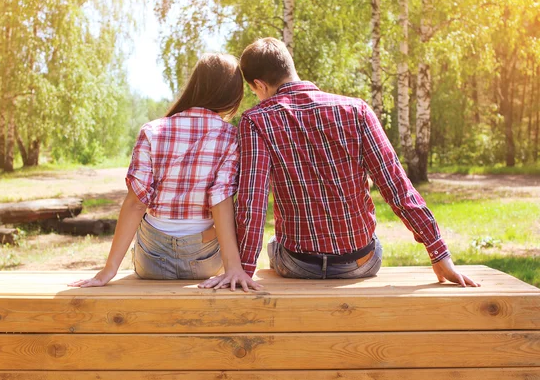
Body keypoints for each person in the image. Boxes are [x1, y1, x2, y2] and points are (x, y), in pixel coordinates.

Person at [200, 38, 480, 288]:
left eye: (255, 91)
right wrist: (438, 251)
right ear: (290, 67)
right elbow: (396, 185)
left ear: (259, 85)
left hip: (298, 265)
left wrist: (244, 271)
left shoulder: (256, 120)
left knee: (276, 245)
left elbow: (253, 203)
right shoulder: (356, 110)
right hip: (361, 263)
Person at [69, 53, 262, 292]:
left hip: (151, 259)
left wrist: (109, 269)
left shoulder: (152, 131)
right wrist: (233, 267)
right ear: (232, 94)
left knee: (148, 217)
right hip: (204, 262)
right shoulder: (230, 136)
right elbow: (220, 201)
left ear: (196, 86)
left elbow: (136, 204)